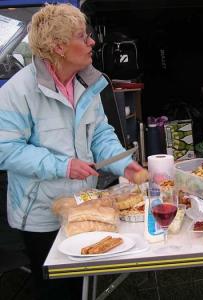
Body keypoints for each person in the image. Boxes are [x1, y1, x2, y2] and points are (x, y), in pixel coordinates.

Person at [0, 4, 147, 299]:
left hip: (83, 206)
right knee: (55, 290)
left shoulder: (87, 82)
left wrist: (124, 165)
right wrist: (63, 165)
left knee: (82, 284)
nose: (92, 42)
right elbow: (6, 150)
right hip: (40, 214)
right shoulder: (17, 91)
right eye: (84, 37)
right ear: (59, 46)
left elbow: (101, 134)